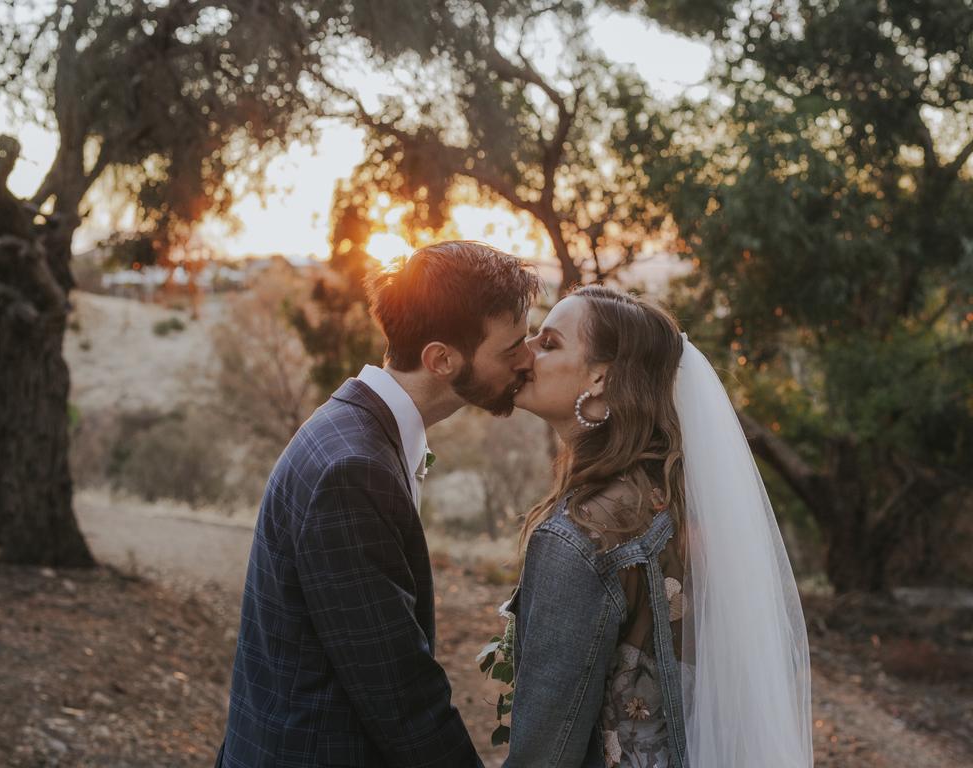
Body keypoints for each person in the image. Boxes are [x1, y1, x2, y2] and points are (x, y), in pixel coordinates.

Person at [215, 241, 541, 767]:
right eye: (512, 348)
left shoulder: (351, 429)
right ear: (441, 359)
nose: (527, 359)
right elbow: (398, 691)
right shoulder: (353, 470)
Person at [502, 285, 812, 768]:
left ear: (600, 378)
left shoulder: (578, 535)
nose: (525, 355)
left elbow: (546, 749)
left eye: (549, 343)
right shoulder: (677, 499)